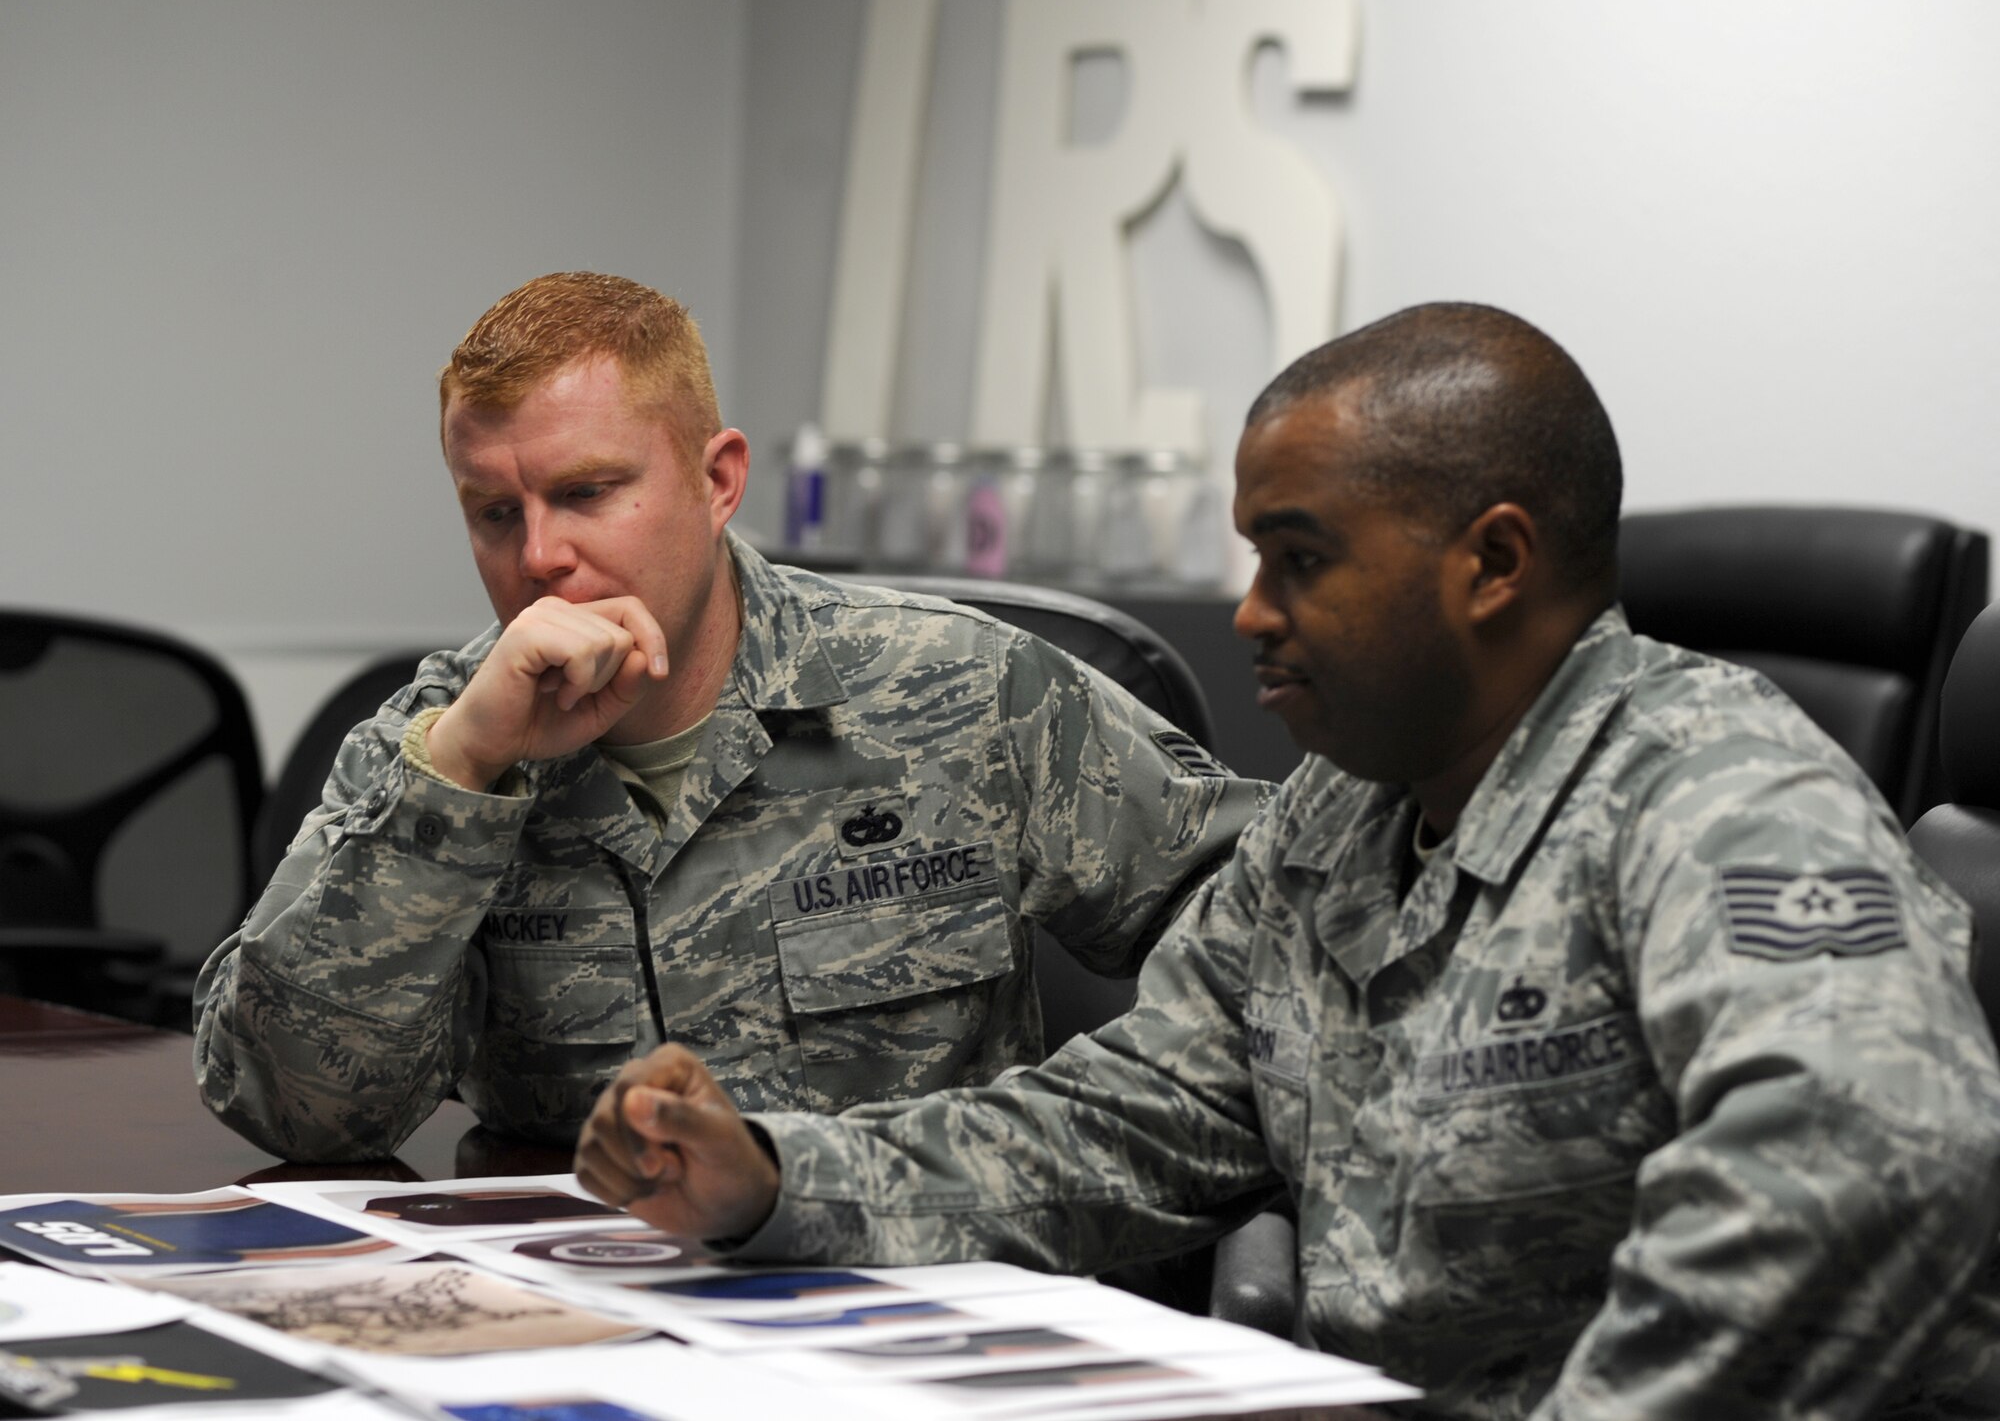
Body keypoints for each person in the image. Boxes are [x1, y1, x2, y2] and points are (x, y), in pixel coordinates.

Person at [574, 303, 2000, 1419]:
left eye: (1299, 559)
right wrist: (770, 1174)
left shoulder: (1711, 789)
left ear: (1492, 562)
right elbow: (1119, 1126)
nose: (1250, 614)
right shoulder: (1337, 817)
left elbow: (1869, 1158)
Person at [194, 272, 1268, 1163]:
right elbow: (300, 1114)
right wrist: (463, 773)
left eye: (585, 492)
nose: (536, 558)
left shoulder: (960, 687)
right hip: (579, 1307)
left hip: (906, 1297)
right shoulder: (437, 743)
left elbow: (1275, 927)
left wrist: (1070, 1142)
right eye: (493, 512)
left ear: (717, 480)